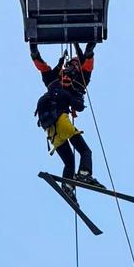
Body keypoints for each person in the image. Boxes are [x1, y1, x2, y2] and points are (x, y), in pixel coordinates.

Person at [30, 40, 104, 197]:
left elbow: (42, 66)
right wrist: (89, 44)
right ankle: (84, 174)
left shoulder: (54, 80)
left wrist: (33, 50)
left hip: (50, 131)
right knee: (85, 151)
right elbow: (88, 61)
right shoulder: (80, 80)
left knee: (69, 161)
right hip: (62, 122)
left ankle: (68, 187)